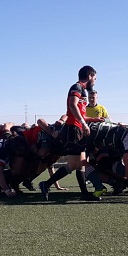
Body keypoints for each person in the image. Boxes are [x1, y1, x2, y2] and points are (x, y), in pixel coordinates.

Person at [38, 65, 101, 201]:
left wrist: (94, 119)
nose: (95, 81)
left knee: (80, 163)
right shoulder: (77, 87)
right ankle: (47, 184)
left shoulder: (82, 90)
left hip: (77, 128)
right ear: (89, 76)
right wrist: (83, 124)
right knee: (76, 164)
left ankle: (83, 192)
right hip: (73, 129)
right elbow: (72, 106)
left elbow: (79, 113)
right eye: (95, 78)